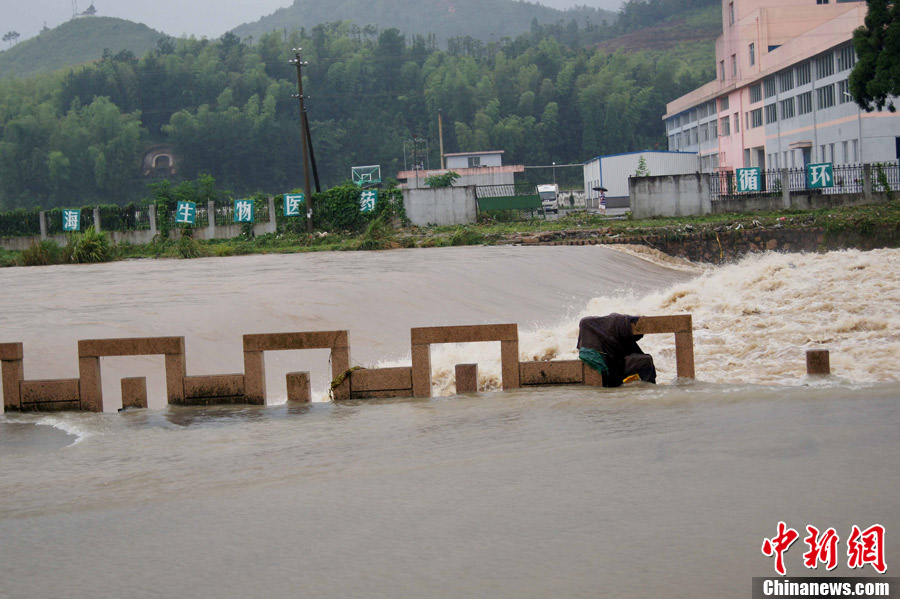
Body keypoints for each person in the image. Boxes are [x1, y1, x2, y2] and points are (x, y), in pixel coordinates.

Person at [577, 314, 656, 387]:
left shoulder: (588, 344)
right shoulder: (592, 350)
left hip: (612, 365)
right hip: (613, 367)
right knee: (646, 360)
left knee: (644, 360)